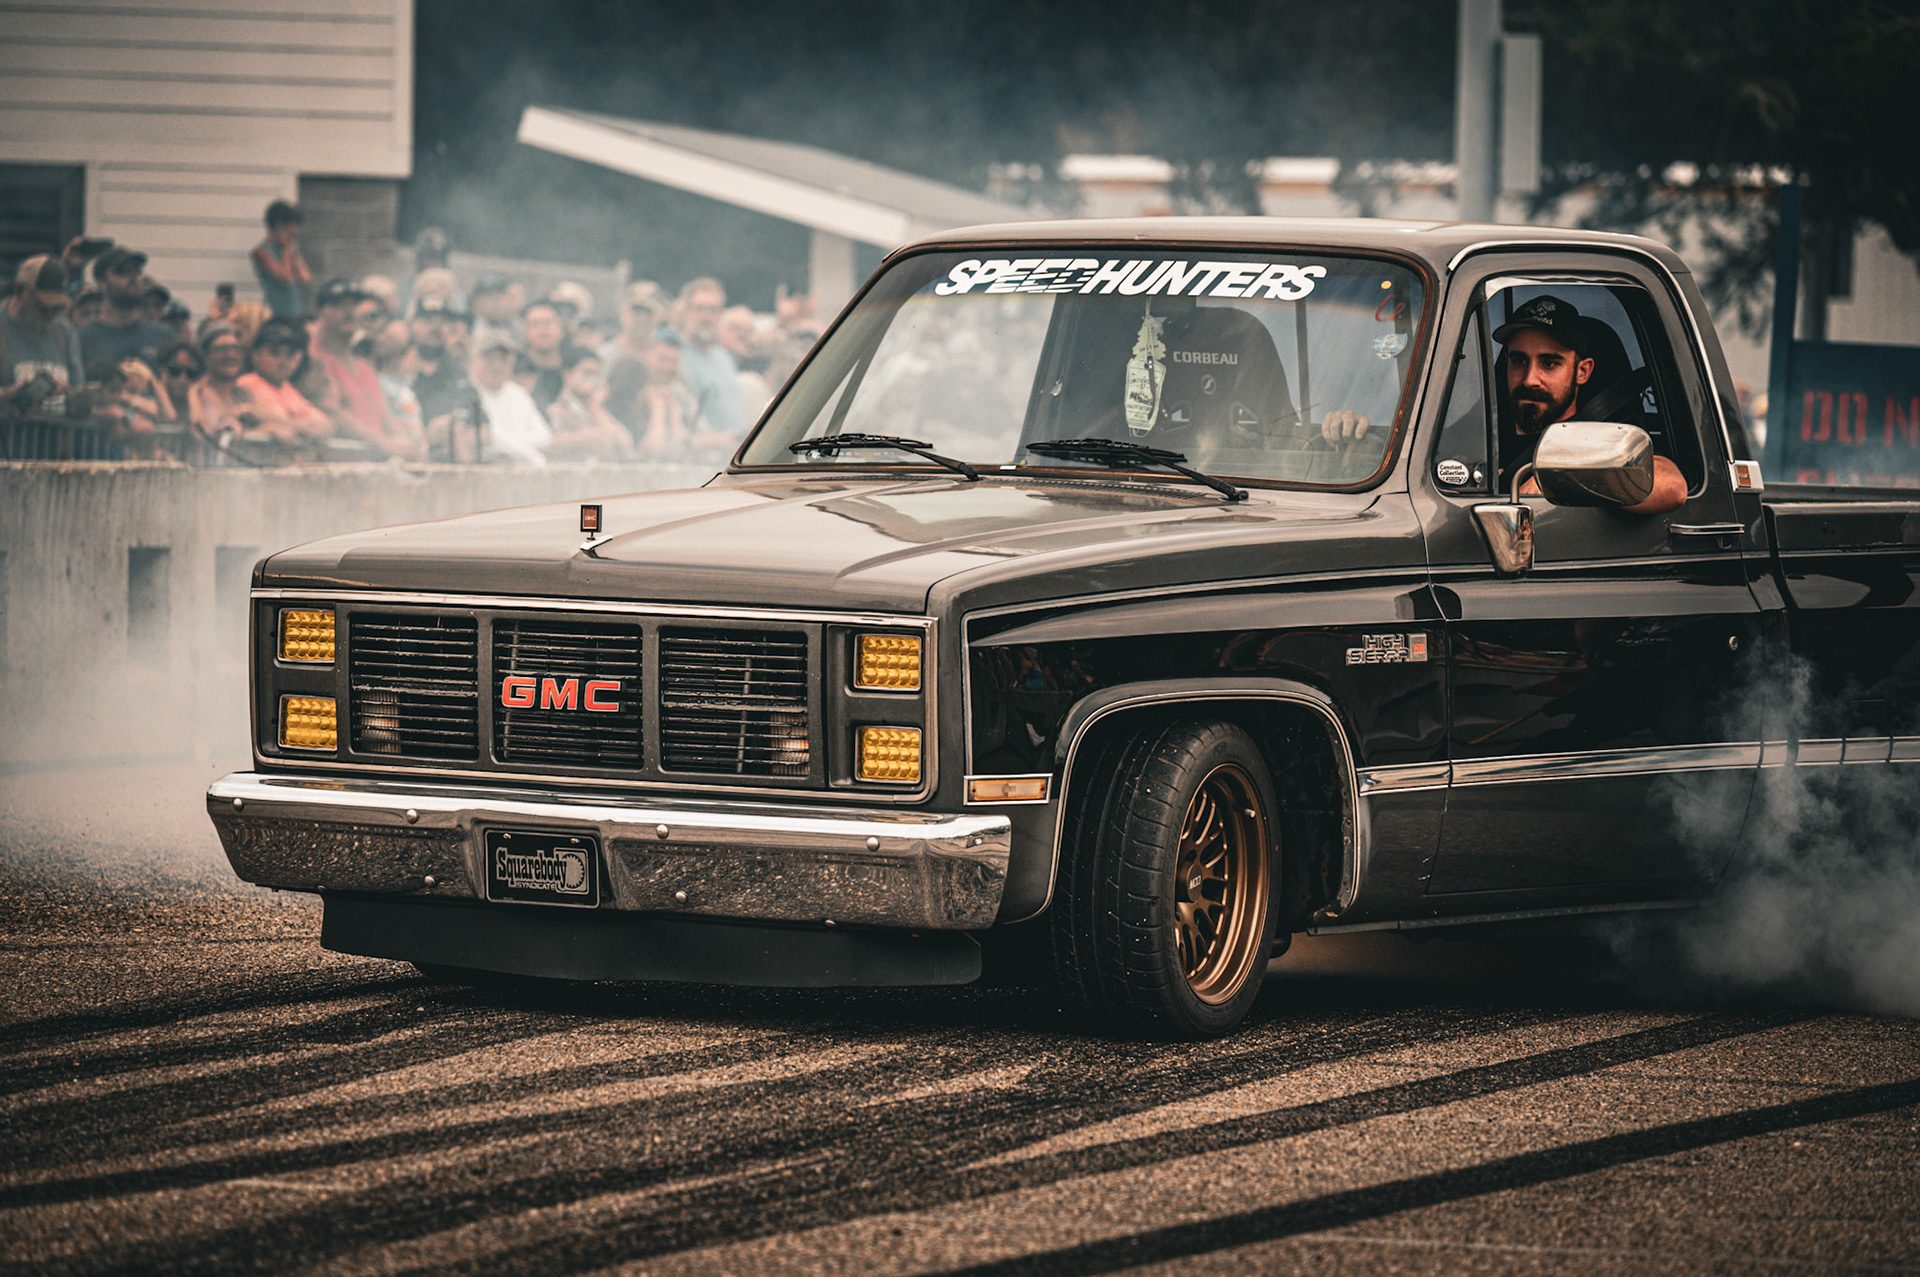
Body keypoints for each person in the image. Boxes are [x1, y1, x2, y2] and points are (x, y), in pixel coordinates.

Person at [1491, 295, 1686, 515]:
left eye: (1549, 363)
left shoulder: (1601, 439)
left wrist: (1560, 479)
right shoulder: (1482, 435)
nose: (1529, 379)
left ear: (1583, 371)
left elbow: (1672, 486)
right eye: (1519, 361)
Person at [299, 278, 425, 460]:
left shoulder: (363, 365)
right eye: (341, 306)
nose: (350, 313)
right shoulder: (315, 359)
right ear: (322, 312)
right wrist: (385, 444)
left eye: (354, 305)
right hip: (339, 461)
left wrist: (402, 441)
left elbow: (386, 417)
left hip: (375, 460)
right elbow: (332, 411)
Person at [2, 255, 85, 416]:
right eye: (43, 306)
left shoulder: (65, 332)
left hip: (56, 431)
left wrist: (70, 394)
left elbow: (78, 391)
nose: (50, 313)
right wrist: (7, 396)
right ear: (20, 291)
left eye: (56, 307)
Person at [237, 319, 332, 454]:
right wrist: (299, 425)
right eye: (275, 353)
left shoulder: (287, 388)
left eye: (290, 355)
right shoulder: (247, 383)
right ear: (256, 355)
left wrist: (296, 425)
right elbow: (261, 412)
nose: (283, 361)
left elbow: (324, 423)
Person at [79, 247, 173, 372]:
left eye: (138, 271)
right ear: (101, 283)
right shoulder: (82, 340)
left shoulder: (164, 338)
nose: (133, 278)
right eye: (123, 271)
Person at [674, 276, 744, 438]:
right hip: (705, 449)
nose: (706, 316)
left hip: (739, 446)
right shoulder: (675, 358)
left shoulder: (724, 356)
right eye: (699, 309)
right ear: (685, 312)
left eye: (713, 310)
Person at [470, 332, 549, 466]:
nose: (497, 365)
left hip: (521, 466)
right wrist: (527, 452)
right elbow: (488, 436)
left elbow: (543, 436)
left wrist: (516, 446)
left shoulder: (518, 394)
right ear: (475, 362)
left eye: (503, 359)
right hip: (484, 468)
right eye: (490, 359)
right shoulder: (467, 394)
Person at [543, 347, 634, 460]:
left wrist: (596, 408)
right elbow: (543, 441)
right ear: (568, 374)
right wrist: (581, 437)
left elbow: (625, 444)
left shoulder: (597, 405)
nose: (591, 379)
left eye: (596, 375)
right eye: (587, 373)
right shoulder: (550, 402)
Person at [251, 200, 311, 319]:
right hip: (275, 314)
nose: (293, 234)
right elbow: (286, 278)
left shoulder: (291, 250)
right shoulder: (262, 252)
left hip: (295, 313)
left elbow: (306, 278)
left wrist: (292, 252)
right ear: (278, 226)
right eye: (289, 229)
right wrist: (287, 248)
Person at [514, 300, 568, 409]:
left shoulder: (574, 366)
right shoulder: (513, 369)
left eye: (548, 323)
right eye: (535, 324)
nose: (543, 328)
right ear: (525, 332)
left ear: (561, 329)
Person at [154, 338, 203, 421]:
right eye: (175, 371)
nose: (182, 379)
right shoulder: (147, 404)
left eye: (191, 373)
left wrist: (193, 395)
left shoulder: (206, 406)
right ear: (162, 371)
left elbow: (198, 424)